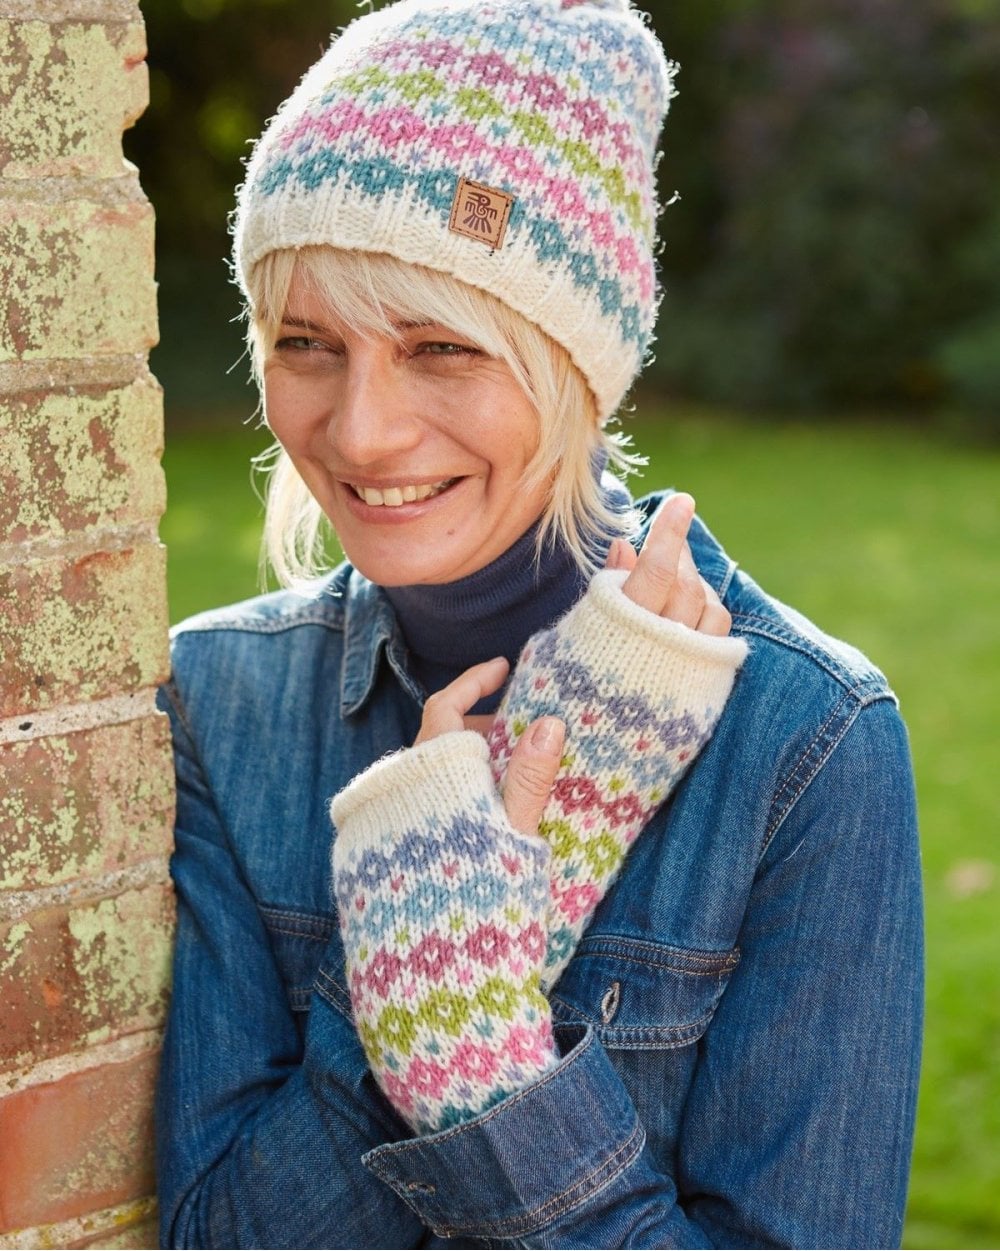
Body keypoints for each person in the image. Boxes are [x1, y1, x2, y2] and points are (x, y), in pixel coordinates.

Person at [155, 0, 923, 1246]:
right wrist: (420, 951)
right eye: (305, 343)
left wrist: (483, 1070)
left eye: (440, 348)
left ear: (577, 366)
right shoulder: (221, 701)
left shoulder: (806, 743)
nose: (360, 431)